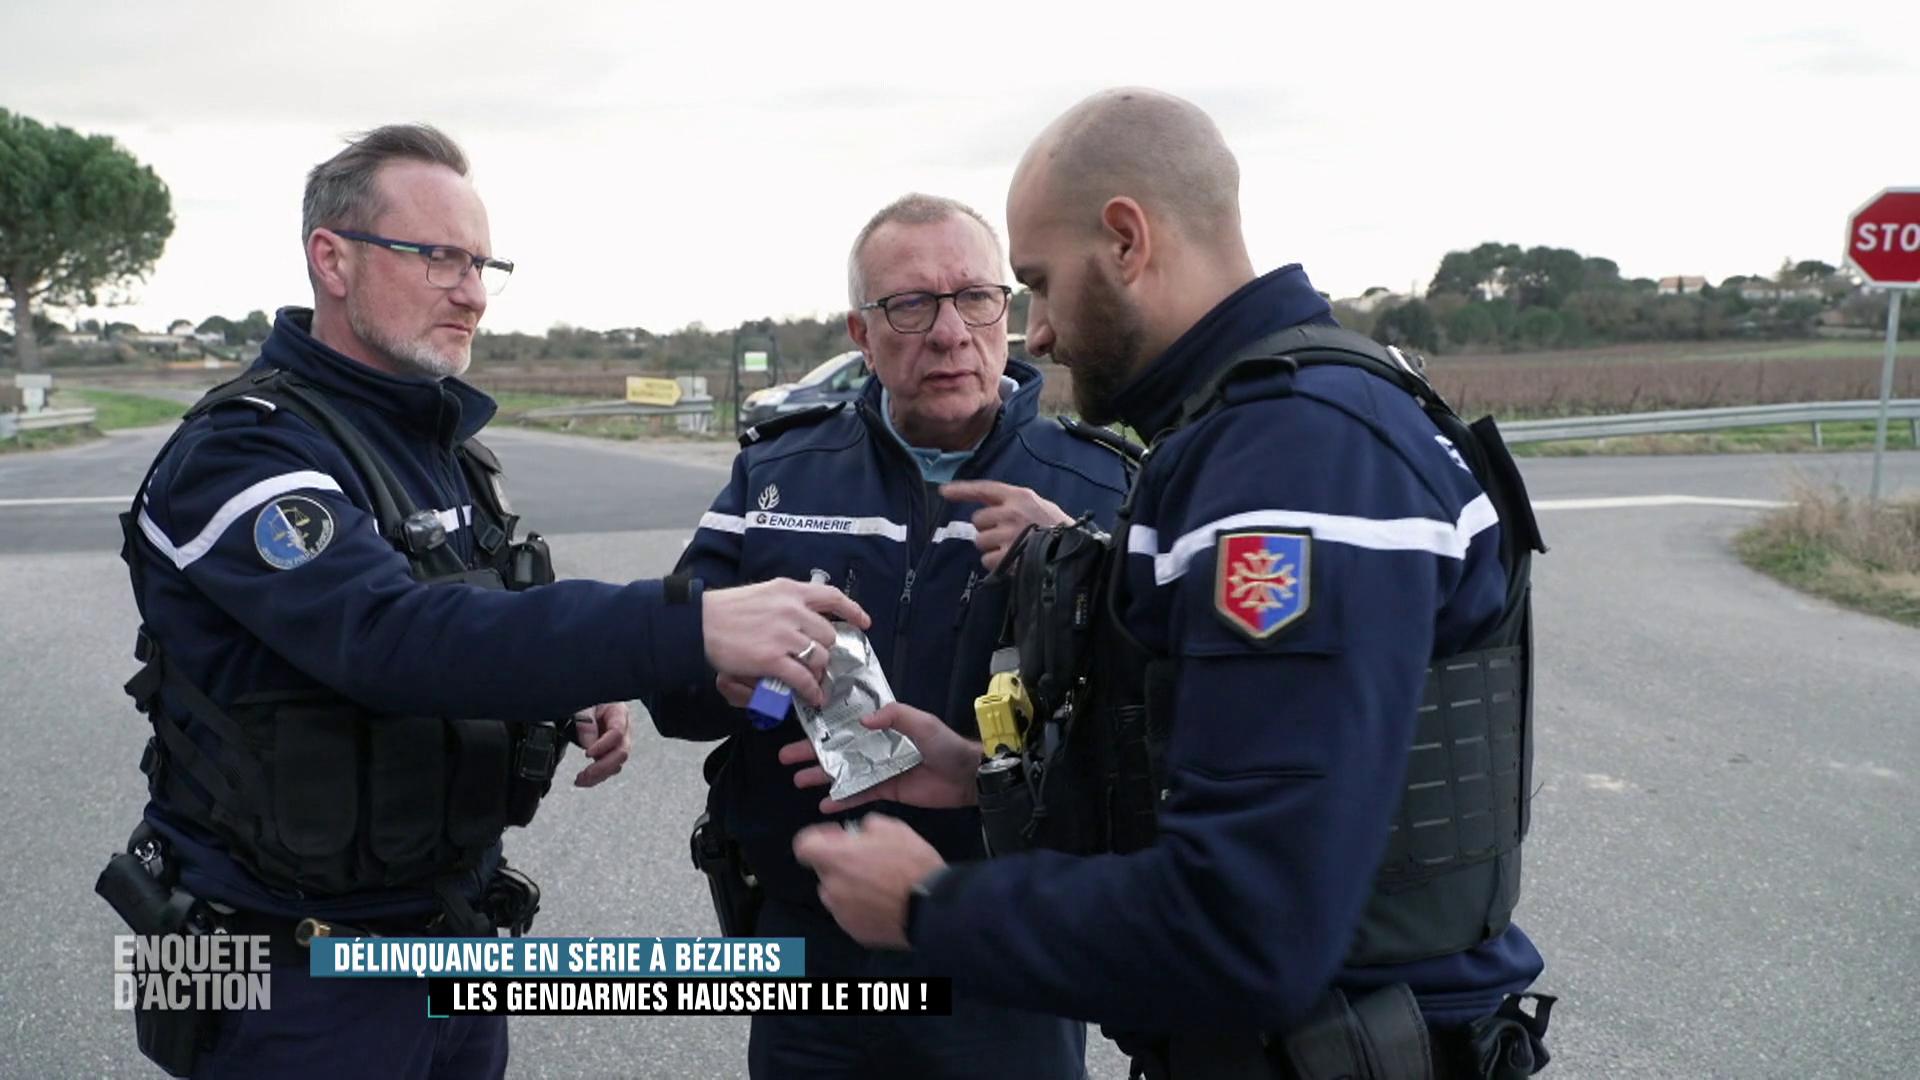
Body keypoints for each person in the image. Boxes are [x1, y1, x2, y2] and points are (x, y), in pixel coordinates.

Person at [789, 89, 1554, 1079]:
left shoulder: (1294, 459)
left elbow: (1249, 922)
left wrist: (932, 907)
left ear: (1125, 240)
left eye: (1039, 284)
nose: (1041, 336)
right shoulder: (1253, 432)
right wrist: (979, 767)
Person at [101, 124, 865, 1080]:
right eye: (438, 257)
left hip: (449, 932)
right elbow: (386, 636)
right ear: (330, 259)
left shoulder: (444, 445)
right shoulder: (240, 452)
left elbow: (491, 617)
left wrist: (572, 687)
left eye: (482, 262)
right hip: (277, 960)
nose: (470, 290)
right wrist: (689, 623)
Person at [644, 192, 1134, 1079]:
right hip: (809, 941)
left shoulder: (1093, 485)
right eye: (910, 304)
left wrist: (1071, 563)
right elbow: (676, 690)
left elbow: (1147, 724)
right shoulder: (779, 473)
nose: (949, 332)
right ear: (861, 334)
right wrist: (737, 685)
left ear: (1010, 314)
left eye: (975, 298)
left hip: (996, 941)